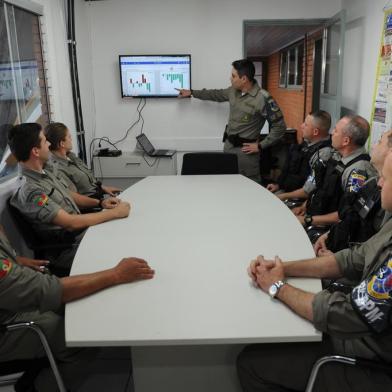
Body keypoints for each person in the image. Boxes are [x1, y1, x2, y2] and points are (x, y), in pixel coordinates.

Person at [236, 150, 392, 392]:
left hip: (369, 362)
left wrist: (278, 287)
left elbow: (347, 316)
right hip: (359, 335)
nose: (379, 182)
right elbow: (353, 259)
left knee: (252, 362)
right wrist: (283, 268)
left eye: (385, 178)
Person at [0, 225, 154, 392]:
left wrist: (16, 260)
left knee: (85, 302)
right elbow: (50, 291)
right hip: (8, 324)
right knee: (77, 335)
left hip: (11, 299)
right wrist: (116, 274)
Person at [8, 123, 130, 274]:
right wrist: (115, 213)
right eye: (45, 141)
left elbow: (69, 195)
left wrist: (100, 202)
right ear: (35, 151)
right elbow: (70, 223)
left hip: (82, 234)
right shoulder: (31, 191)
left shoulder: (44, 171)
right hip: (69, 248)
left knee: (127, 231)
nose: (49, 144)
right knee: (125, 243)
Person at [177, 59, 286, 182]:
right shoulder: (233, 91)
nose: (230, 78)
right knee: (228, 185)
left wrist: (261, 145)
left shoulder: (263, 98)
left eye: (233, 76)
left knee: (248, 190)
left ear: (244, 79)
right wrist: (191, 92)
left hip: (246, 156)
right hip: (228, 149)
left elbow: (280, 127)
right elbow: (215, 94)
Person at [283, 115, 376, 233]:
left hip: (326, 229)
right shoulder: (336, 156)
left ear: (346, 141)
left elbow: (347, 214)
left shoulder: (357, 172)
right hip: (314, 217)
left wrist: (308, 219)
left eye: (336, 130)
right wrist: (304, 206)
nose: (332, 133)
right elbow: (322, 188)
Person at [314, 129, 392, 256]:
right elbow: (351, 214)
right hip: (340, 252)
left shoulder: (388, 201)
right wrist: (328, 235)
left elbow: (372, 256)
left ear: (390, 152)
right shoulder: (372, 183)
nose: (372, 145)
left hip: (348, 265)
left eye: (379, 142)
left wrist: (335, 260)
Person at [44, 122, 121, 198]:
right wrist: (101, 203)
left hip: (98, 195)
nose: (71, 139)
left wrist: (104, 188)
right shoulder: (57, 168)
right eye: (69, 137)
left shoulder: (71, 156)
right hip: (91, 204)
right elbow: (75, 199)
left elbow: (90, 182)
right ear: (62, 143)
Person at [266, 110, 332, 194]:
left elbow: (309, 190)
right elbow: (293, 169)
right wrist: (279, 185)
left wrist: (283, 196)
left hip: (300, 198)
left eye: (306, 125)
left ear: (315, 132)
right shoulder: (308, 142)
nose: (301, 126)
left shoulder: (324, 154)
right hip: (288, 190)